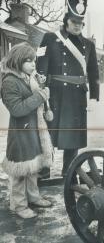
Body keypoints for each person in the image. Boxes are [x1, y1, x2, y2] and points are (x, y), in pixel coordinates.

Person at [36, 0, 99, 178]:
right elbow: (41, 63)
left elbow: (94, 73)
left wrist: (94, 97)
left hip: (77, 97)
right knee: (48, 133)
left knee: (73, 137)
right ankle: (44, 169)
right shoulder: (49, 38)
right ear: (66, 20)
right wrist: (41, 87)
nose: (77, 25)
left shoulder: (89, 45)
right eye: (74, 21)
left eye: (81, 22)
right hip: (54, 93)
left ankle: (69, 170)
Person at [1, 42, 53, 219]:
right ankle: (19, 205)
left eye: (34, 61)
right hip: (20, 133)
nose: (33, 64)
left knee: (33, 167)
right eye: (29, 61)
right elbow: (17, 109)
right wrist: (39, 96)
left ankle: (33, 196)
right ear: (17, 60)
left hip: (34, 130)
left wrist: (41, 91)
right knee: (20, 170)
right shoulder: (9, 81)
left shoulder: (27, 77)